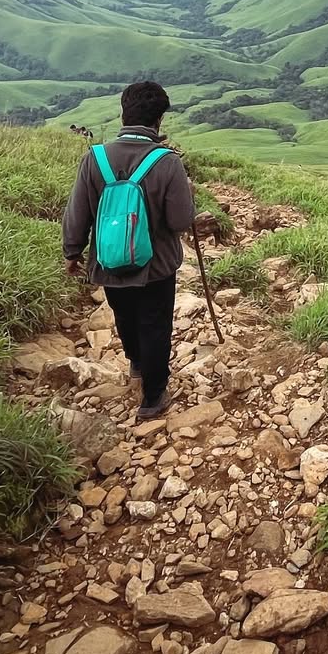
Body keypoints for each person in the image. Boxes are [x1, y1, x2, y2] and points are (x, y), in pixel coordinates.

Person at [62, 80, 196, 420]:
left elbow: (78, 212)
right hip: (156, 265)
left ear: (123, 113)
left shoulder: (94, 159)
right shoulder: (167, 162)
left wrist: (72, 252)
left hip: (109, 261)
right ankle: (153, 398)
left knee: (124, 315)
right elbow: (181, 220)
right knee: (155, 323)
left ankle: (136, 365)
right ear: (159, 121)